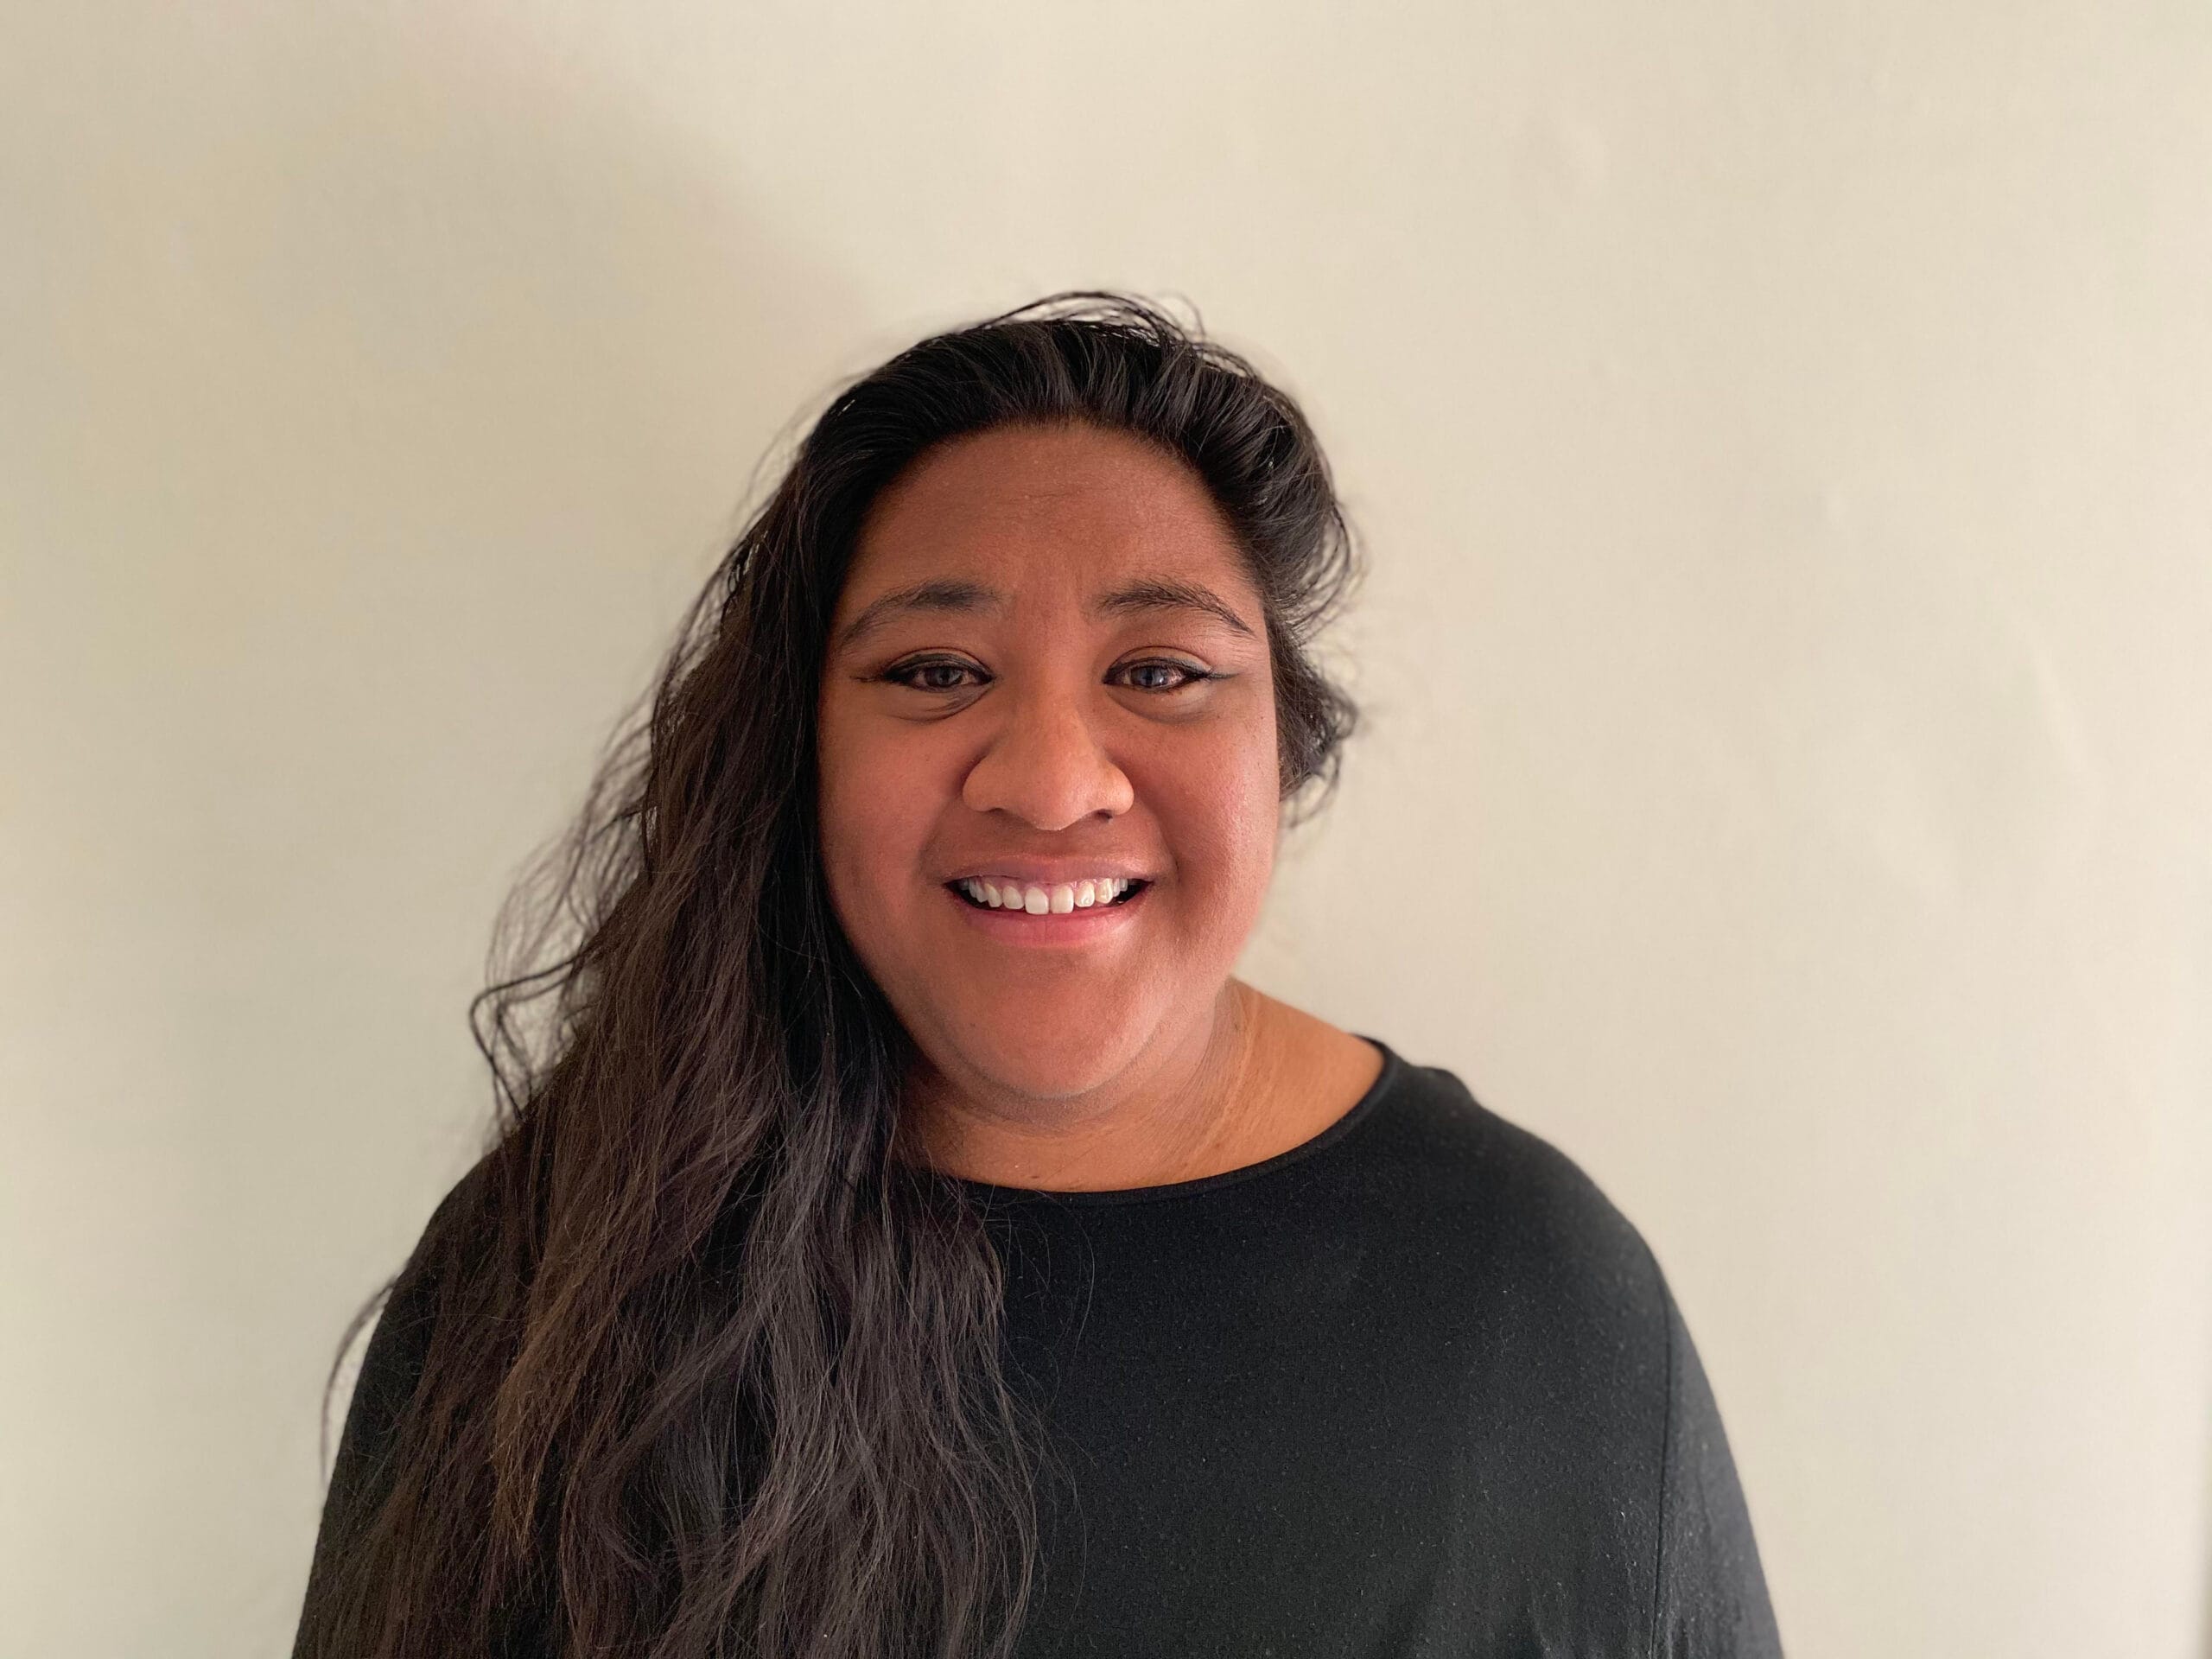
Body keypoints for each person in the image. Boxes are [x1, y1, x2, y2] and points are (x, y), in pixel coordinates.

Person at [292, 293, 1783, 1659]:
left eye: (1161, 672)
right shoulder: (560, 1274)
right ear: (801, 754)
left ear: (1284, 745)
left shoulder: (1534, 1302)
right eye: (937, 672)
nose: (1054, 782)